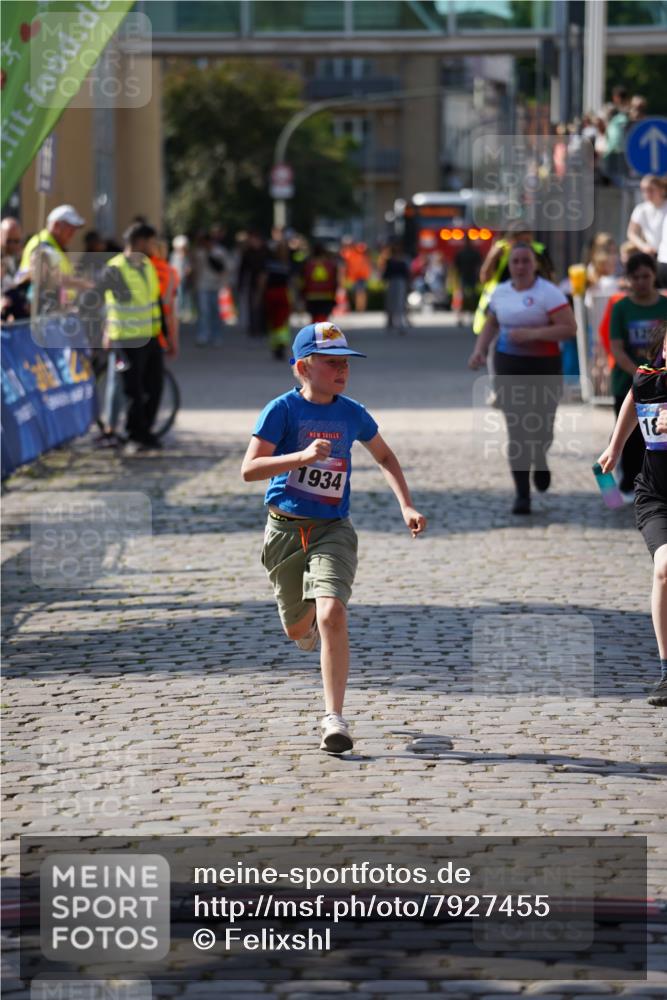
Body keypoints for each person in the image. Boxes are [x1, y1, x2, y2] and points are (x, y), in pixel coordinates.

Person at [241, 321, 426, 753]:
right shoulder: (281, 410)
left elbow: (384, 456)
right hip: (285, 530)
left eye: (346, 363)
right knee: (297, 628)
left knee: (332, 614)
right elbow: (249, 470)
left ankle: (334, 718)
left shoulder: (351, 413)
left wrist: (406, 505)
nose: (342, 370)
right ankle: (306, 627)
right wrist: (300, 457)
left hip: (333, 529)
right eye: (331, 363)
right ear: (303, 368)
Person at [469, 243, 577, 514]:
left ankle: (540, 456)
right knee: (517, 430)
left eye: (525, 261)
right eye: (515, 261)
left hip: (545, 366)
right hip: (509, 364)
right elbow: (491, 323)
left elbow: (569, 328)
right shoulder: (500, 292)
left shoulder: (548, 293)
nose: (520, 266)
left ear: (535, 264)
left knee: (543, 428)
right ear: (509, 265)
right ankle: (522, 494)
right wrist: (479, 350)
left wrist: (533, 334)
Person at [598, 321, 667, 707]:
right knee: (665, 568)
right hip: (656, 496)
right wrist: (615, 446)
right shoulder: (647, 377)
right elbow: (632, 397)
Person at [104, 222, 171, 452]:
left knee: (155, 387)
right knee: (133, 391)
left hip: (150, 337)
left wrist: (165, 334)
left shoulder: (147, 265)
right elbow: (106, 300)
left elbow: (156, 301)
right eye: (151, 242)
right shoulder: (115, 267)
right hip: (126, 339)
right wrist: (105, 332)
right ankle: (134, 435)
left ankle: (146, 432)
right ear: (140, 242)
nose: (154, 247)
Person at [609, 253, 667, 497]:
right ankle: (626, 483)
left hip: (663, 384)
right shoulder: (621, 307)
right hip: (627, 381)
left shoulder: (664, 305)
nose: (641, 282)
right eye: (636, 277)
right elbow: (616, 347)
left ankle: (653, 487)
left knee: (655, 438)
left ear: (654, 275)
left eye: (646, 276)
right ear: (628, 279)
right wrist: (642, 377)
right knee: (630, 436)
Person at [194, 231, 227, 347]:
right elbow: (196, 269)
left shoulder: (219, 252)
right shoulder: (199, 253)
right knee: (204, 311)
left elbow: (224, 268)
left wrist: (223, 283)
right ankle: (203, 335)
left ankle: (216, 335)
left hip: (215, 285)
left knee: (215, 311)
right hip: (202, 285)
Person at [301, 242, 340, 323]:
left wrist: (302, 295)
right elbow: (335, 281)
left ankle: (315, 330)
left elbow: (303, 281)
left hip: (311, 296)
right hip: (327, 296)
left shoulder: (308, 265)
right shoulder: (330, 264)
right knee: (323, 320)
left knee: (314, 320)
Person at [382, 242, 410, 333]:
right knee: (390, 302)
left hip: (400, 282)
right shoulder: (390, 260)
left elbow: (406, 273)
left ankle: (400, 323)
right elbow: (386, 273)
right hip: (392, 282)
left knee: (400, 303)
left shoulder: (403, 260)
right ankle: (390, 321)